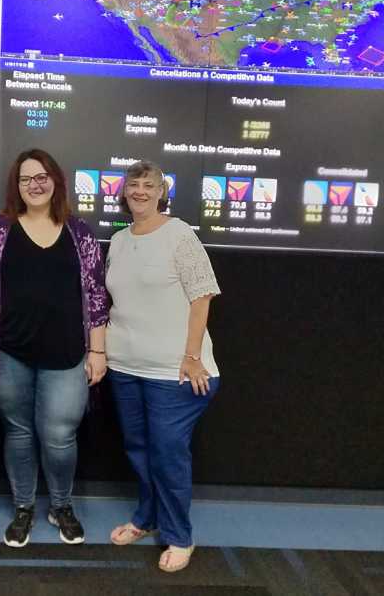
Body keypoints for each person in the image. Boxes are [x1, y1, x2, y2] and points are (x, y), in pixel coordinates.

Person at [0, 149, 109, 548]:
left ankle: (61, 506)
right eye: (27, 178)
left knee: (60, 436)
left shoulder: (80, 233)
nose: (35, 184)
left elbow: (97, 296)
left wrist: (98, 352)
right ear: (17, 187)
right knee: (19, 432)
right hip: (10, 354)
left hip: (68, 355)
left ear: (56, 181)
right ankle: (23, 507)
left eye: (42, 176)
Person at [105, 160, 221, 573]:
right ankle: (147, 517)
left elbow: (202, 297)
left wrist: (191, 357)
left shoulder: (180, 234)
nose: (139, 190)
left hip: (174, 372)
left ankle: (178, 536)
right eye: (132, 184)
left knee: (168, 453)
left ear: (161, 192)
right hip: (124, 366)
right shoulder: (118, 241)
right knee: (139, 449)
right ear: (123, 193)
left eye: (148, 185)